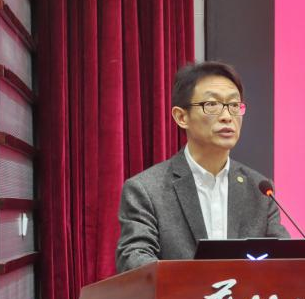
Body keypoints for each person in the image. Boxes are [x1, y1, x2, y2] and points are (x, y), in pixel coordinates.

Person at [116, 61, 289, 272]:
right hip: (178, 294)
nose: (227, 116)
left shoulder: (260, 190)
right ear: (181, 117)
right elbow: (134, 259)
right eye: (212, 105)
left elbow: (287, 261)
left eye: (234, 105)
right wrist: (197, 284)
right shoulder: (146, 190)